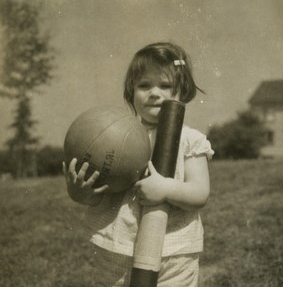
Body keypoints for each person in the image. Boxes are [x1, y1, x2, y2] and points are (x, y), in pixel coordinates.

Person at [63, 42, 214, 286]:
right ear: (130, 91)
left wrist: (166, 189)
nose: (154, 93)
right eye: (144, 85)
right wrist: (79, 191)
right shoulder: (112, 137)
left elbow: (200, 193)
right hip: (118, 248)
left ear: (182, 91)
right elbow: (95, 196)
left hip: (174, 251)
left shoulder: (190, 139)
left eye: (165, 85)